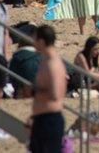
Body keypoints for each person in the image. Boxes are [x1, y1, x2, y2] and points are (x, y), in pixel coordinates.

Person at [30, 25, 66, 153]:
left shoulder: (52, 63)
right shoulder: (45, 61)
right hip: (42, 118)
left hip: (50, 120)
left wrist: (35, 91)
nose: (33, 43)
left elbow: (55, 94)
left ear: (41, 41)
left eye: (35, 40)